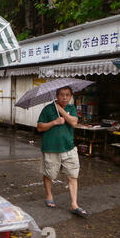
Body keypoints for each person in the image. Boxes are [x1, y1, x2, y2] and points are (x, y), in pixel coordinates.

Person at [37, 86, 88, 218]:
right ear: (57, 96)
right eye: (62, 95)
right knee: (48, 173)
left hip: (69, 148)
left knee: (72, 175)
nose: (64, 97)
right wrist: (54, 122)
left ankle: (74, 205)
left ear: (70, 97)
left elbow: (74, 122)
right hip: (51, 148)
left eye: (67, 95)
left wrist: (61, 111)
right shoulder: (48, 109)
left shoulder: (71, 109)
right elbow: (39, 127)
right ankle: (49, 195)